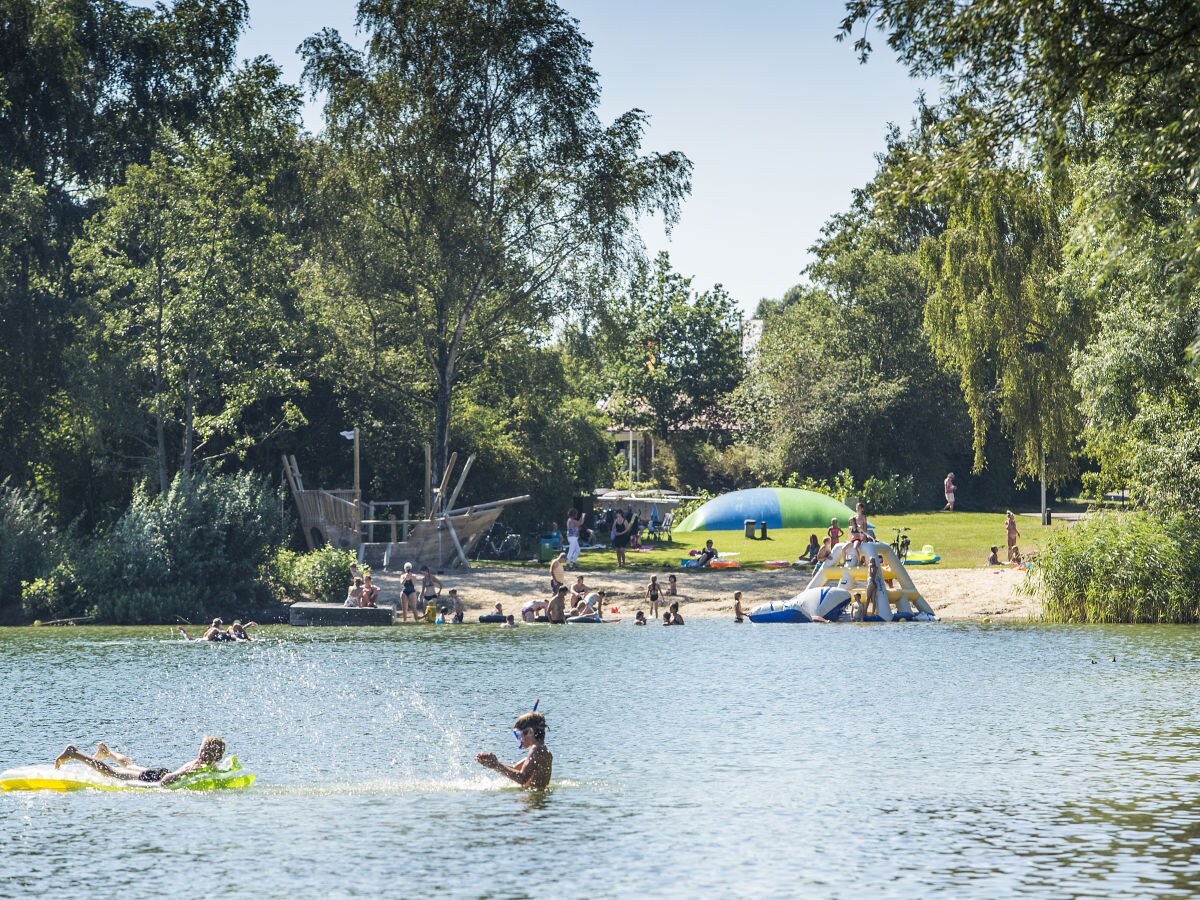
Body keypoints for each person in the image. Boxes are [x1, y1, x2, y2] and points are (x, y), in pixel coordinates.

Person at [54, 736, 226, 787]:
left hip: (159, 772)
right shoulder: (199, 765)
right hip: (157, 778)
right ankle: (74, 753)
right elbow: (166, 782)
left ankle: (106, 752)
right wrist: (182, 773)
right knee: (111, 772)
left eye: (203, 749)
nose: (200, 752)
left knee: (129, 765)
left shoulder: (207, 765)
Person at [475, 711, 552, 790]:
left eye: (518, 734)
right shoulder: (544, 751)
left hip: (532, 799)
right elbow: (515, 769)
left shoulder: (536, 750)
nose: (519, 739)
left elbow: (522, 778)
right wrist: (492, 764)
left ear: (530, 732)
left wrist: (496, 765)